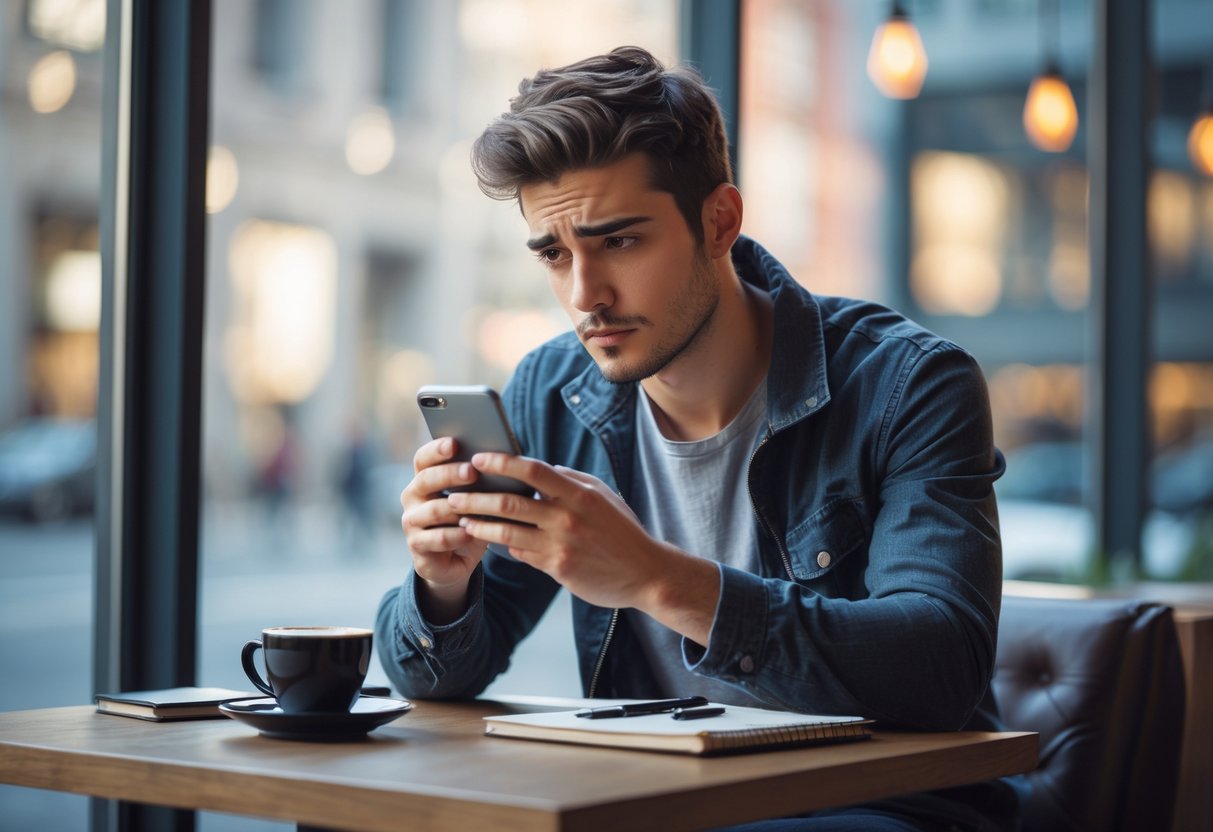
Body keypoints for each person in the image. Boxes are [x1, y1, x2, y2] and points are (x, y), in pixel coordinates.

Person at [377, 46, 1021, 831]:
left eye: (618, 242)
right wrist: (443, 587)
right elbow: (435, 680)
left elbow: (938, 667)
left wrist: (656, 577)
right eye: (554, 253)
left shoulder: (906, 385)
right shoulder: (550, 391)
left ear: (718, 221)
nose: (584, 296)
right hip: (659, 804)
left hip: (885, 807)